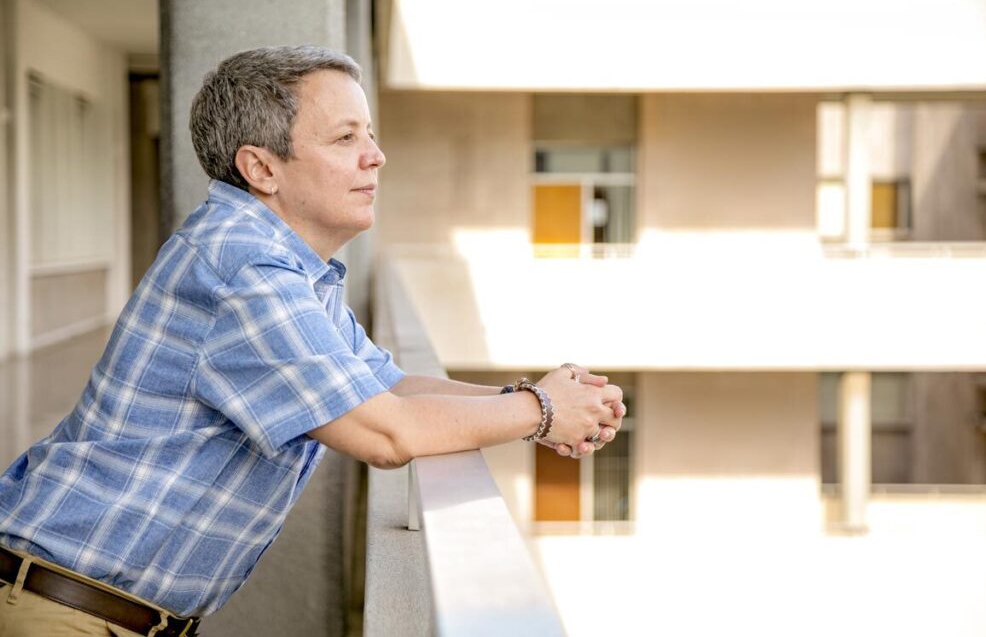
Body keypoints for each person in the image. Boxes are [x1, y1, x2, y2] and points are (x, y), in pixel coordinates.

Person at [0, 45, 624, 636]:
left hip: (95, 605)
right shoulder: (243, 266)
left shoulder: (292, 266)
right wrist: (540, 413)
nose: (375, 155)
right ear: (262, 168)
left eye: (371, 134)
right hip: (59, 608)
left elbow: (392, 385)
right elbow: (385, 433)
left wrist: (535, 397)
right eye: (346, 137)